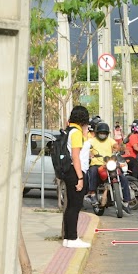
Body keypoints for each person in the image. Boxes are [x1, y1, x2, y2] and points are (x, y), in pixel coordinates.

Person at [86, 122, 132, 214]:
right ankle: (92, 194)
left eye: (104, 133)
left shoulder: (110, 140)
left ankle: (126, 201)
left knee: (122, 177)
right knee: (92, 171)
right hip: (97, 164)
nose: (103, 135)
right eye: (101, 133)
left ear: (107, 134)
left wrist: (118, 148)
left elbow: (116, 146)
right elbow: (87, 149)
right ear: (97, 133)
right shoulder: (91, 141)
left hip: (109, 164)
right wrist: (90, 154)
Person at [62, 105, 91, 248]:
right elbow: (75, 156)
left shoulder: (70, 131)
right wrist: (80, 178)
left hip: (70, 172)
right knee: (75, 206)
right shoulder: (76, 134)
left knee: (71, 206)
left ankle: (68, 238)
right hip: (76, 172)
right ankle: (73, 238)